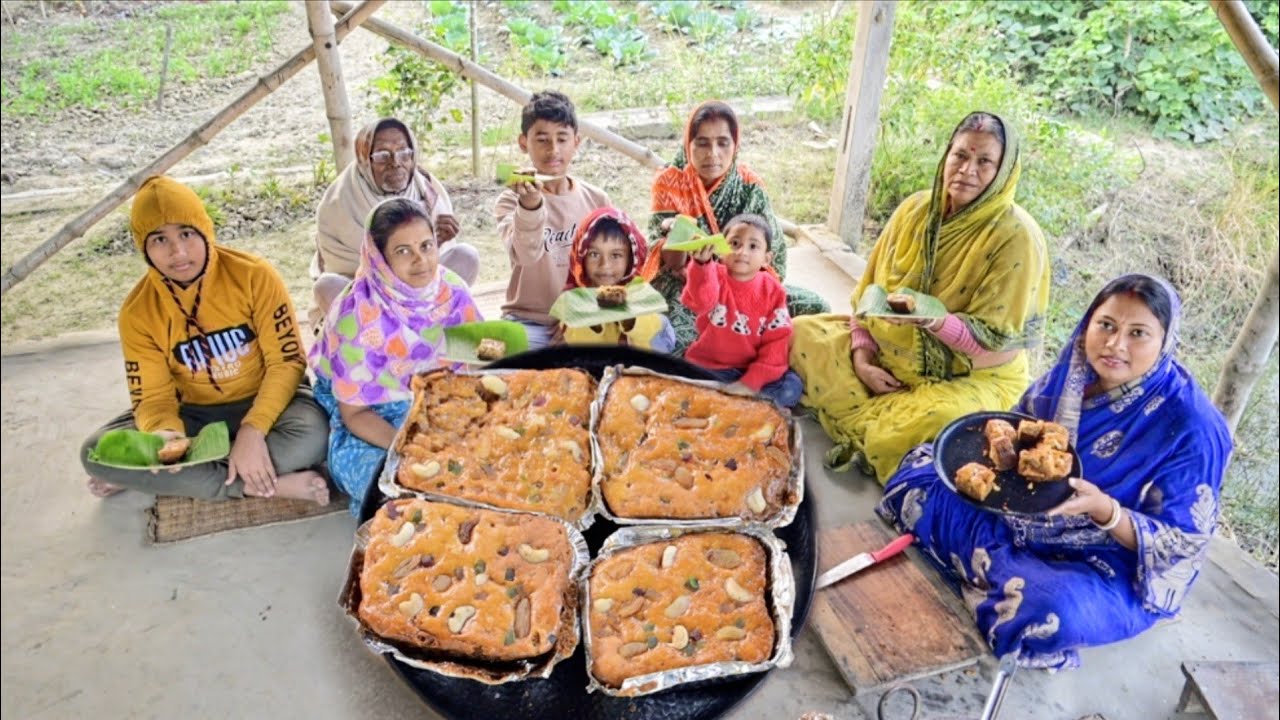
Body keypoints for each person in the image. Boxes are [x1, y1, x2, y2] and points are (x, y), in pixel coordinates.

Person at [877, 274, 1232, 670]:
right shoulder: (1074, 372)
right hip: (1023, 518)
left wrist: (1106, 512)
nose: (1116, 344)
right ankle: (992, 572)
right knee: (918, 475)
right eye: (1107, 325)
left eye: (1138, 333)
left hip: (1103, 558)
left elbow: (1183, 544)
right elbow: (1015, 439)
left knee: (1050, 610)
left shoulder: (1193, 427)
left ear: (1166, 341)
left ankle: (989, 570)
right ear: (1089, 322)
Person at [791, 111, 1050, 482]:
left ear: (1004, 171)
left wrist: (935, 321)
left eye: (984, 161)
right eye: (959, 155)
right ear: (946, 156)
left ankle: (875, 432)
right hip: (887, 355)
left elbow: (1001, 347)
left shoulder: (1016, 238)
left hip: (966, 378)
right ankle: (874, 408)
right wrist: (862, 358)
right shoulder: (915, 210)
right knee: (801, 333)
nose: (967, 170)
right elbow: (867, 298)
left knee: (935, 422)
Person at [80, 176, 330, 504]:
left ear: (205, 231)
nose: (178, 252)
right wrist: (164, 434)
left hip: (268, 403)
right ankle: (261, 484)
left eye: (186, 233)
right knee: (96, 453)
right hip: (192, 414)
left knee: (315, 436)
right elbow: (153, 399)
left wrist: (253, 430)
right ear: (144, 247)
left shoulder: (254, 276)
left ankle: (178, 479)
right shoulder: (137, 312)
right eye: (159, 239)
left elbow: (287, 364)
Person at [310, 197, 481, 516]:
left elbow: (471, 374)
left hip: (432, 398)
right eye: (403, 251)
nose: (422, 261)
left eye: (427, 246)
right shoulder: (358, 318)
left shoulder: (452, 293)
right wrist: (409, 446)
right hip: (371, 414)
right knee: (389, 486)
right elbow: (356, 415)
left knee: (482, 465)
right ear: (379, 259)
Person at [649, 99, 828, 354]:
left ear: (735, 145)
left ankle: (758, 358)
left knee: (816, 307)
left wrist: (737, 279)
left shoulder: (749, 186)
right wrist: (676, 234)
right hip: (690, 287)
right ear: (687, 144)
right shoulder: (670, 182)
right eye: (702, 143)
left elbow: (770, 258)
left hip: (745, 281)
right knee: (683, 345)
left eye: (723, 142)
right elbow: (669, 263)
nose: (713, 153)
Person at [310, 117, 480, 328]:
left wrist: (434, 242)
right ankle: (389, 336)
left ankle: (419, 328)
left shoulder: (424, 186)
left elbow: (430, 262)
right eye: (382, 155)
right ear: (364, 157)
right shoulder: (340, 201)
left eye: (404, 152)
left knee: (466, 256)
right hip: (370, 300)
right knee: (327, 287)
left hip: (421, 292)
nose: (395, 162)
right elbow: (345, 267)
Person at [496, 90, 611, 350]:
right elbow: (525, 255)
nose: (553, 150)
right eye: (542, 139)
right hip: (528, 323)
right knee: (503, 364)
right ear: (524, 142)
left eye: (562, 139)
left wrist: (581, 316)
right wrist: (530, 206)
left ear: (576, 142)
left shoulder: (597, 201)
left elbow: (612, 272)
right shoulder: (510, 201)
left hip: (585, 316)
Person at [681, 214, 804, 407]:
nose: (742, 251)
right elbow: (701, 302)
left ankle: (728, 401)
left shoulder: (773, 291)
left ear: (767, 258)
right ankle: (736, 404)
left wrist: (749, 384)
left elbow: (776, 344)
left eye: (753, 246)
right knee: (683, 381)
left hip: (751, 369)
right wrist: (701, 265)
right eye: (734, 243)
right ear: (721, 250)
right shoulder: (711, 274)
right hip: (709, 366)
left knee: (791, 388)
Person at [557, 206, 675, 352]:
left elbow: (655, 337)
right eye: (594, 254)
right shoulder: (572, 299)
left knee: (662, 325)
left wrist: (628, 316)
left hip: (636, 369)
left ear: (631, 259)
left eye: (616, 255)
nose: (605, 265)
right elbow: (577, 341)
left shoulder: (638, 292)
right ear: (580, 257)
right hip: (594, 367)